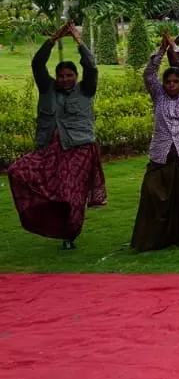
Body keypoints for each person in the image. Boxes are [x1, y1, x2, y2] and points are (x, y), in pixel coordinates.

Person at [9, 22, 105, 249]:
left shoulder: (85, 90)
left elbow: (91, 67)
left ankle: (69, 235)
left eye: (69, 75)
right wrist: (53, 39)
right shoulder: (47, 88)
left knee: (71, 194)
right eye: (60, 75)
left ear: (76, 75)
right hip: (49, 149)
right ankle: (45, 220)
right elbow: (37, 63)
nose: (64, 79)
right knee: (17, 171)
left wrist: (78, 40)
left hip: (78, 149)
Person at [132, 31, 179, 252]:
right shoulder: (159, 95)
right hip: (162, 153)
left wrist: (175, 47)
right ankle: (153, 237)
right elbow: (148, 75)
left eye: (176, 81)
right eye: (168, 81)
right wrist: (161, 51)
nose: (171, 85)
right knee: (152, 191)